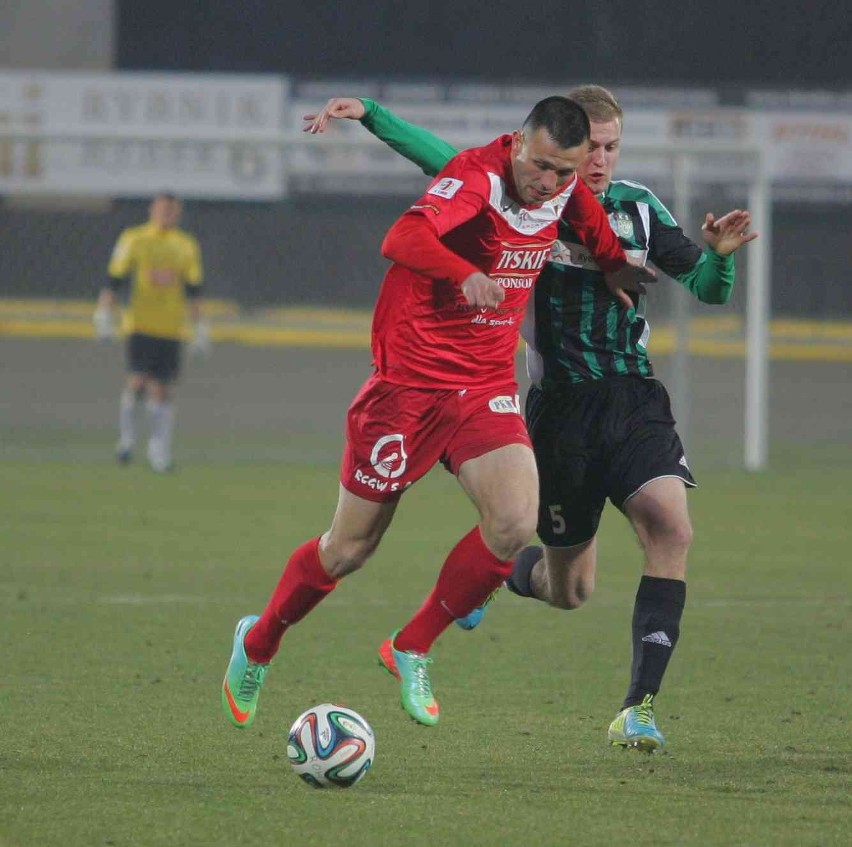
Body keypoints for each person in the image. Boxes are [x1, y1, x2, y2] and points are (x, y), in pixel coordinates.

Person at [303, 87, 757, 751]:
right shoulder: (534, 201)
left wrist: (719, 257)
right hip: (560, 408)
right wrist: (372, 115)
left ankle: (639, 706)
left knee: (671, 524)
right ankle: (502, 574)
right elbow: (441, 158)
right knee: (570, 588)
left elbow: (710, 290)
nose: (599, 160)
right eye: (589, 147)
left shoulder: (637, 209)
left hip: (633, 399)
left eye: (611, 148)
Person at [222, 96, 654, 730]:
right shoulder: (476, 178)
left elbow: (588, 221)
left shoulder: (562, 190)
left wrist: (614, 264)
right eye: (540, 168)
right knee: (348, 549)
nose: (550, 184)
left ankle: (412, 645)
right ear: (516, 145)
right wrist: (463, 272)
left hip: (481, 385)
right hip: (407, 387)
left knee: (513, 522)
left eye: (565, 171)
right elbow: (402, 236)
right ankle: (257, 643)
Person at [93, 192, 209, 473]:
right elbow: (115, 278)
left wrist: (200, 326)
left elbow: (193, 288)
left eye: (173, 210)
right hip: (140, 324)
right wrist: (104, 311)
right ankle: (127, 440)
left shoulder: (185, 245)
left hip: (170, 328)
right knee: (137, 382)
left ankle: (159, 451)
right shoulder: (134, 239)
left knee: (163, 390)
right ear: (152, 210)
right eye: (163, 208)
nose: (168, 214)